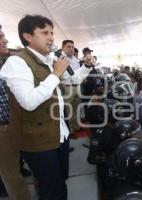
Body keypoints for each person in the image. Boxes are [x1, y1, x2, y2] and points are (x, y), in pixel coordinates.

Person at [0, 15, 93, 199]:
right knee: (50, 188)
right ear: (28, 36)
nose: (51, 37)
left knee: (61, 180)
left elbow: (73, 80)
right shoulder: (16, 62)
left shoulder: (50, 58)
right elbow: (28, 101)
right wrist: (55, 74)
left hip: (60, 132)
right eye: (44, 32)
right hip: (38, 141)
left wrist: (87, 67)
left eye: (52, 32)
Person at [0, 25, 30, 200]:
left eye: (4, 35)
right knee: (12, 177)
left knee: (37, 167)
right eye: (0, 37)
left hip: (21, 123)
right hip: (3, 130)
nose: (5, 40)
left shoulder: (10, 61)